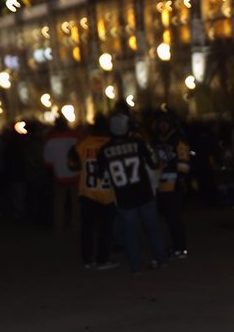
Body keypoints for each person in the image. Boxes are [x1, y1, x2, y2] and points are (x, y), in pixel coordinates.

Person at [97, 112, 166, 273]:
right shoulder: (138, 143)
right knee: (153, 228)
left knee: (130, 233)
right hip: (144, 193)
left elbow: (101, 173)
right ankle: (161, 258)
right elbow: (155, 163)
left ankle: (136, 266)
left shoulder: (104, 150)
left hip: (123, 197)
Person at [69, 116, 117, 270]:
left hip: (87, 192)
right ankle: (103, 259)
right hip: (108, 193)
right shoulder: (113, 144)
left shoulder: (82, 144)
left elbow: (71, 164)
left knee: (87, 229)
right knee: (105, 229)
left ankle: (88, 259)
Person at [150, 111, 191, 258]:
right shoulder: (156, 140)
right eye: (160, 122)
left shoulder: (177, 139)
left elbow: (184, 162)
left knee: (175, 219)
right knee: (168, 220)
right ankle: (175, 246)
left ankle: (180, 248)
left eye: (165, 122)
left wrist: (180, 180)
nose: (162, 125)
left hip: (174, 186)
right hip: (161, 186)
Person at [43, 117, 80, 231]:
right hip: (75, 175)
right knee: (76, 203)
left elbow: (48, 162)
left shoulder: (50, 140)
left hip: (59, 176)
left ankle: (59, 226)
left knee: (59, 203)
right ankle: (76, 225)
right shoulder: (75, 137)